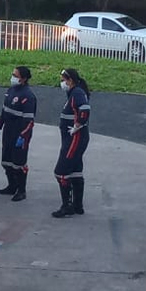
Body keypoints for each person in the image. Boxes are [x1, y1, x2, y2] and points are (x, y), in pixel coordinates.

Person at [0, 66, 36, 202]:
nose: (13, 77)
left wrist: (23, 136)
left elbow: (29, 121)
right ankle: (11, 185)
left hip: (20, 133)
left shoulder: (28, 96)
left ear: (23, 79)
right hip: (8, 130)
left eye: (15, 75)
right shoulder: (10, 91)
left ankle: (21, 190)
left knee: (19, 163)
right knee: (6, 161)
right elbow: (4, 111)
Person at [53, 68, 91, 218]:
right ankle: (77, 205)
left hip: (75, 138)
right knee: (75, 170)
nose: (62, 83)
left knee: (61, 171)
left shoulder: (77, 93)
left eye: (63, 80)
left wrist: (78, 125)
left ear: (70, 80)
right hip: (72, 138)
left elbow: (85, 110)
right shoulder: (73, 93)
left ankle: (67, 206)